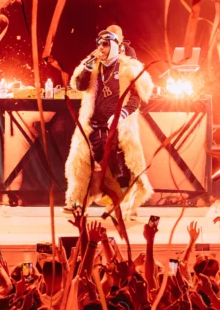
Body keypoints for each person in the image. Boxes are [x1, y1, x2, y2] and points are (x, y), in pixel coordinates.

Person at [63, 25, 155, 220]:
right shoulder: (93, 64)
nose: (100, 48)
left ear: (116, 45)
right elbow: (79, 85)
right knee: (81, 164)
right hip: (93, 125)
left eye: (105, 44)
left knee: (121, 167)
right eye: (98, 44)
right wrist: (87, 68)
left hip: (118, 127)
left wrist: (122, 113)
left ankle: (123, 206)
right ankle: (76, 202)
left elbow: (138, 97)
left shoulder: (129, 67)